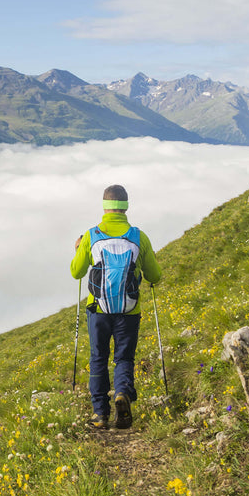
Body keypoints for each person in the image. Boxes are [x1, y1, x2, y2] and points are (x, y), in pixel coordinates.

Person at [70, 184, 161, 430]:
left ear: (104, 206)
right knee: (124, 357)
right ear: (126, 207)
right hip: (129, 311)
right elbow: (155, 275)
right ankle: (122, 393)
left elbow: (76, 272)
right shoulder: (138, 237)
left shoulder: (91, 235)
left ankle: (100, 414)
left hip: (98, 310)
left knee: (98, 358)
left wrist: (79, 249)